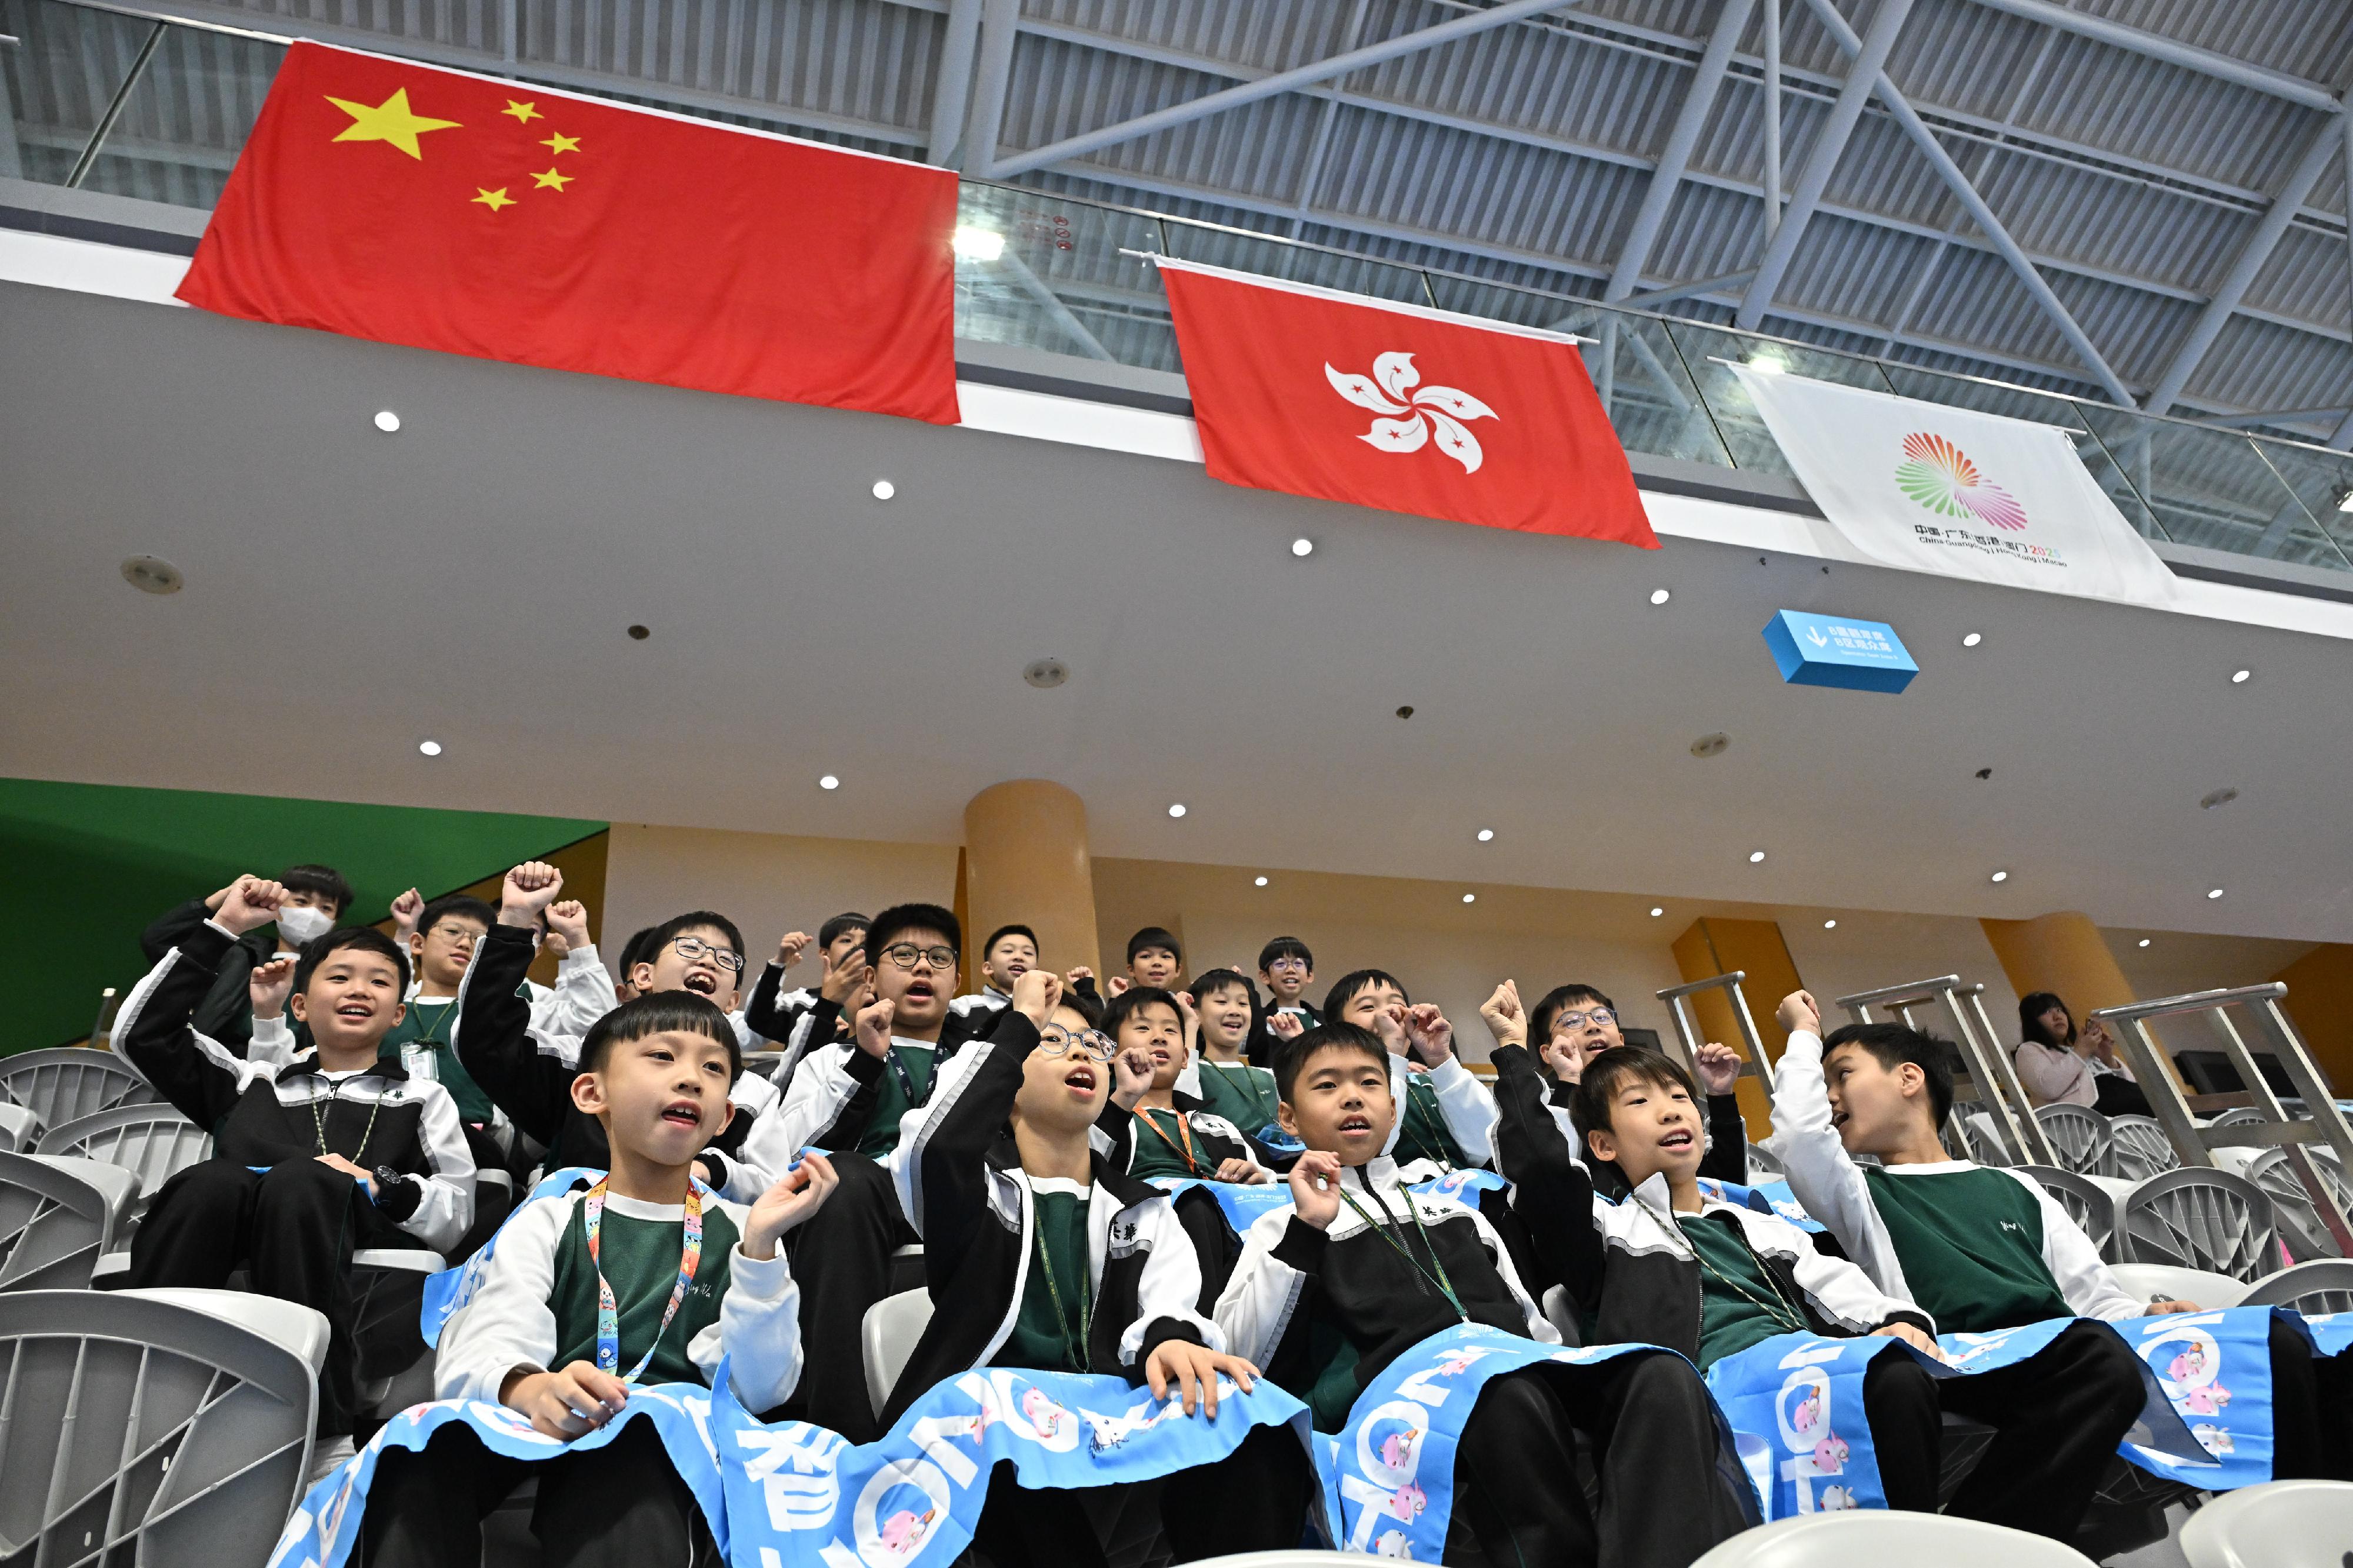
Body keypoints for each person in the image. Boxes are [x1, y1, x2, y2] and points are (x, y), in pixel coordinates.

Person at [1497, 1026, 2138, 1536]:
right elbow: (1545, 1172)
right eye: (1640, 1102)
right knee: (1886, 1375)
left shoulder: (1752, 1220)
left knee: (1899, 1370)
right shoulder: (1603, 1227)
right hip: (1699, 1385)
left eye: (1678, 1097)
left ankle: (1931, 1547)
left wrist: (1900, 1319)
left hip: (1804, 1362)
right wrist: (1516, 1057)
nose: (1669, 1110)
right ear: (1603, 1145)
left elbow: (1834, 1281)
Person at [1767, 991, 2345, 1509]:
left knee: (2279, 1338)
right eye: (1823, 1083)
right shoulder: (1859, 1193)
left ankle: (2299, 1526)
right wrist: (1801, 1032)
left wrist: (2146, 1314)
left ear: (1909, 1077)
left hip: (2067, 1345)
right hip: (1963, 1356)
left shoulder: (2015, 1185)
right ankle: (1972, 1548)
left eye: (1841, 1074)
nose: (1830, 1094)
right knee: (2095, 1356)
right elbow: (1798, 1136)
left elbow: (2092, 1296)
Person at [1216, 1023, 1752, 1568]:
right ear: (1288, 1118)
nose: (1354, 1096)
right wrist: (1308, 1227)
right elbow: (1247, 1351)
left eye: (1370, 1083)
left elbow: (1529, 1321)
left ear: (1395, 1108)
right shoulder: (1282, 1225)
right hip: (1405, 1396)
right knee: (1505, 1394)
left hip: (1508, 1364)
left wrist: (1562, 1365)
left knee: (1660, 1374)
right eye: (1327, 1086)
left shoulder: (1456, 1210)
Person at [359, 990, 837, 1567]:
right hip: (541, 1417)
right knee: (416, 1454)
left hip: (661, 1442)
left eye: (714, 1067)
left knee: (635, 1457)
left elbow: (761, 1388)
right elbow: (490, 1330)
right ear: (592, 1092)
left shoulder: (743, 1229)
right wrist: (527, 1387)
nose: (692, 1078)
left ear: (724, 1118)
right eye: (663, 1055)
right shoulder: (552, 1214)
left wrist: (760, 1251)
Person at [885, 968, 1292, 1566]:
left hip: (1106, 1406)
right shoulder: (974, 1187)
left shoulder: (1141, 1208)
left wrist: (1172, 1340)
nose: (1079, 1048)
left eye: (1091, 1044)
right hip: (993, 1418)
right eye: (1051, 1041)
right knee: (1004, 1463)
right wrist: (1018, 1023)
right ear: (1005, 1083)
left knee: (1246, 1415)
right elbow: (937, 1141)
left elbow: (1168, 1300)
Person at [114, 875, 474, 1462]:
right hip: (225, 1240)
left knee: (303, 1180)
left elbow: (455, 1213)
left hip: (355, 1282)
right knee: (212, 1180)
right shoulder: (249, 1081)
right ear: (300, 1005)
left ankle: (317, 1416)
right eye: (339, 976)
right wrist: (222, 929)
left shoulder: (422, 1097)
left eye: (379, 981)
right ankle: (145, 1391)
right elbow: (142, 1036)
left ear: (398, 1013)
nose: (360, 988)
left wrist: (377, 1184)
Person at [735, 902, 994, 1439]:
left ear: (957, 979)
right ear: (873, 976)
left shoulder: (983, 1061)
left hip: (966, 1204)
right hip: (869, 1200)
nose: (923, 968)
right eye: (905, 955)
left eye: (938, 958)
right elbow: (797, 1153)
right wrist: (868, 1064)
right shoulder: (831, 1059)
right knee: (842, 1177)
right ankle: (839, 1429)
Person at [455, 865, 765, 1186]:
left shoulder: (753, 1093)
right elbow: (486, 1039)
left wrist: (709, 1171)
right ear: (644, 977)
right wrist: (516, 919)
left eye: (727, 959)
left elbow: (771, 1182)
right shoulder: (586, 1061)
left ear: (733, 1001)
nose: (708, 960)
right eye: (691, 947)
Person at [1517, 980, 1750, 1194]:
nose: (1592, 1026)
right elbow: (1553, 1173)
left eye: (1602, 1016)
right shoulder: (1542, 1115)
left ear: (1620, 1039)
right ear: (1548, 1053)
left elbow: (1724, 1184)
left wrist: (1720, 1097)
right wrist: (1570, 1078)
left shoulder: (1666, 1102)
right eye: (1572, 1021)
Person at [137, 863, 354, 1056]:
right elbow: (159, 941)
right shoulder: (236, 953)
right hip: (213, 1064)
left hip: (294, 1078)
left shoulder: (338, 974)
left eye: (326, 908)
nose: (312, 913)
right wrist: (221, 899)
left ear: (334, 923)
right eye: (301, 901)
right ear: (277, 907)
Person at [1322, 969, 1495, 1174]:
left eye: (1397, 1005)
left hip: (1464, 1194)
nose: (1389, 1013)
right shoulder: (1332, 1091)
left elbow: (1486, 1148)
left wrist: (1441, 1060)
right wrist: (1391, 1055)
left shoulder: (1432, 1081)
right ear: (1338, 1030)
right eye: (1368, 1007)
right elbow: (1371, 1152)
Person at [1100, 986, 1271, 1185]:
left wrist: (1258, 1183)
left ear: (1184, 1058)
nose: (1159, 1037)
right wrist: (1126, 1095)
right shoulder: (1096, 1119)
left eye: (1170, 1030)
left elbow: (1270, 1188)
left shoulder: (1221, 1127)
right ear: (1110, 1051)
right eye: (1143, 1028)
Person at [742, 911, 868, 1063]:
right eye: (847, 940)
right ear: (824, 953)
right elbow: (758, 1019)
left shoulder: (883, 1001)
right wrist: (778, 964)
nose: (858, 947)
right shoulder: (802, 1003)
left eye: (866, 942)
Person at [1180, 969, 1285, 1143]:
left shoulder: (1269, 1076)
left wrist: (1296, 1041)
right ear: (1196, 1012)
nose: (1235, 1011)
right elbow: (1184, 1106)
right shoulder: (1193, 1071)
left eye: (1243, 1004)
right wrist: (1190, 1023)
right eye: (1222, 1002)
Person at [2014, 992, 2151, 1116]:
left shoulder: (2080, 1048)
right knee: (2154, 1103)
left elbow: (2132, 1084)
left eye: (2060, 1010)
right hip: (2090, 1110)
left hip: (2121, 1098)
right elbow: (2048, 1088)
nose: (2057, 1016)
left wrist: (2107, 1059)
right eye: (2047, 1011)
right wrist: (2081, 1051)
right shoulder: (2028, 1050)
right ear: (2033, 1022)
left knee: (2156, 1098)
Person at [952, 923, 1039, 1019]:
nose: (1019, 957)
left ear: (1036, 971)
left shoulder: (1049, 1009)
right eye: (1008, 951)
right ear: (988, 968)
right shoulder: (965, 1007)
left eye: (1028, 953)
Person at [1122, 926, 1184, 993]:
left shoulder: (1184, 1003)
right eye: (1146, 956)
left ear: (1177, 970)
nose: (1157, 962)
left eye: (1166, 956)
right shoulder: (1121, 1003)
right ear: (1131, 970)